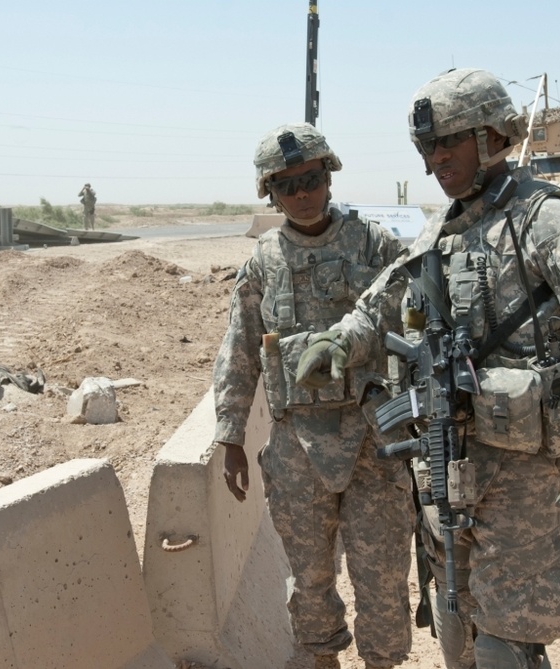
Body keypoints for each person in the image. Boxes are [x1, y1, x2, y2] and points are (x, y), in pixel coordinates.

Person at [295, 69, 560, 669]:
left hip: (524, 472)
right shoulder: (443, 230)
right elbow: (383, 299)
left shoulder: (552, 223)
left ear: (492, 136)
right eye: (426, 148)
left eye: (448, 143)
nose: (436, 159)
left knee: (508, 632)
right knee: (453, 617)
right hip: (447, 459)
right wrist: (340, 340)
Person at [212, 122, 416, 669]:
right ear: (270, 194)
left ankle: (382, 661)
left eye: (309, 180)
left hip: (375, 442)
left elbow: (417, 318)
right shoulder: (263, 260)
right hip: (297, 450)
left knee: (383, 573)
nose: (301, 195)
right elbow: (239, 351)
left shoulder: (374, 245)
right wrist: (230, 436)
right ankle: (321, 658)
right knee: (309, 575)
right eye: (287, 186)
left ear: (328, 177)